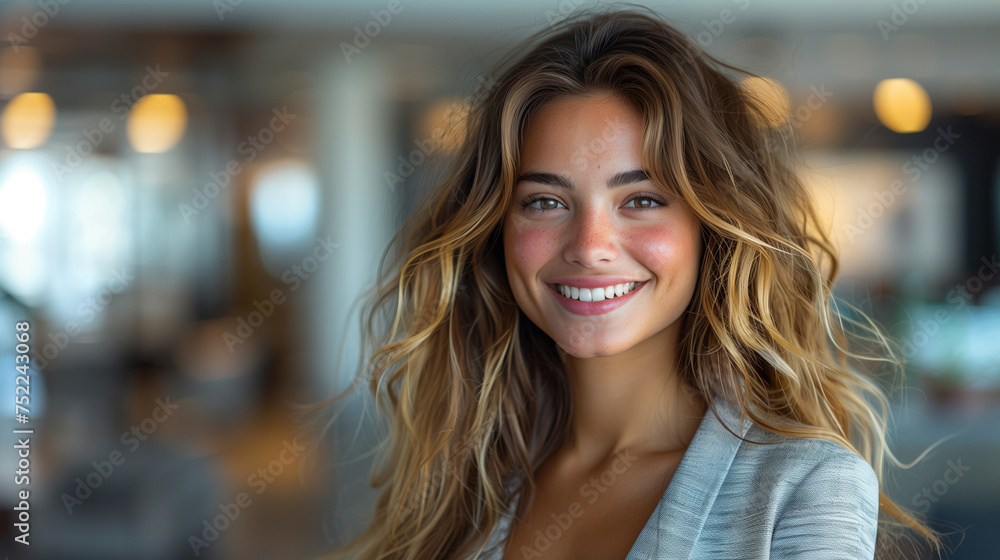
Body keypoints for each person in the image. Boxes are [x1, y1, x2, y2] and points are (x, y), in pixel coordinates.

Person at [314, 5, 945, 559]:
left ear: (713, 227)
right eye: (544, 202)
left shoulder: (801, 489)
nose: (590, 247)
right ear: (496, 231)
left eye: (642, 199)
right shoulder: (463, 482)